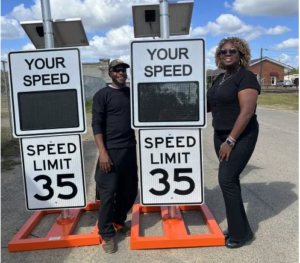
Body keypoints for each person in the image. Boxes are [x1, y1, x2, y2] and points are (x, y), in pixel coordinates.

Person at [207, 37, 261, 248]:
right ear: (219, 56)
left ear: (241, 55)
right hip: (219, 135)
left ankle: (240, 235)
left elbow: (247, 112)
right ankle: (240, 227)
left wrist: (230, 140)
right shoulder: (220, 78)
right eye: (223, 51)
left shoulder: (246, 77)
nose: (227, 54)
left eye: (233, 51)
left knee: (227, 180)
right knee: (231, 181)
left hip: (240, 136)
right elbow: (208, 105)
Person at [92, 59, 138, 254]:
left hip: (129, 149)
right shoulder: (102, 95)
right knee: (108, 193)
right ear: (110, 72)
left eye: (124, 70)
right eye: (117, 70)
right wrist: (103, 152)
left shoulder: (131, 93)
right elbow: (96, 124)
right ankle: (106, 233)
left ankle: (118, 221)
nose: (121, 73)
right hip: (110, 151)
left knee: (129, 191)